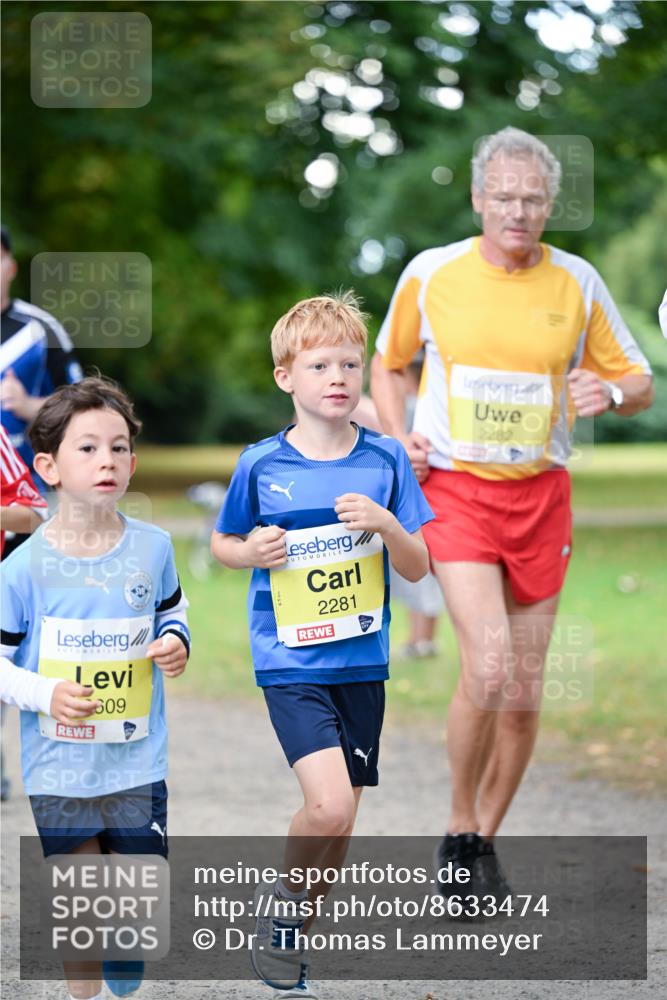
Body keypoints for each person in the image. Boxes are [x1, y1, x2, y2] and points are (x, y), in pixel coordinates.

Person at [370, 126, 653, 902]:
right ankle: (458, 825)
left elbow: (638, 381)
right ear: (477, 199)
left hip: (540, 498)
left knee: (523, 695)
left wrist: (612, 392)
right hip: (457, 492)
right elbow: (387, 363)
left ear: (549, 204)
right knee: (488, 664)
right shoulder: (432, 274)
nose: (517, 211)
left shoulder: (577, 282)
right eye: (503, 196)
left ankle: (481, 842)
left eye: (531, 198)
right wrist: (400, 443)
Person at [211, 292, 432, 998]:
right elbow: (222, 542)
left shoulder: (386, 460)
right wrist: (251, 552)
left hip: (362, 661)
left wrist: (387, 527)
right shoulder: (260, 464)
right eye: (319, 365)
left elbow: (418, 563)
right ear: (286, 377)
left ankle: (290, 937)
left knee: (341, 825)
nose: (336, 376)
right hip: (290, 660)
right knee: (330, 807)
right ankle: (281, 915)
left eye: (349, 363)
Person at [0, 376, 190, 1000]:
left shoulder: (153, 548)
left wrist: (175, 643)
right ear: (49, 466)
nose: (106, 459)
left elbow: (173, 614)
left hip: (136, 759)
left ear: (133, 461)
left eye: (118, 447)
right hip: (60, 764)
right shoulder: (21, 569)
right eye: (88, 449)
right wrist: (44, 694)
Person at [0, 224, 83, 475]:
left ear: (11, 268)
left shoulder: (40, 329)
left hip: (26, 485)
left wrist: (27, 405)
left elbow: (81, 404)